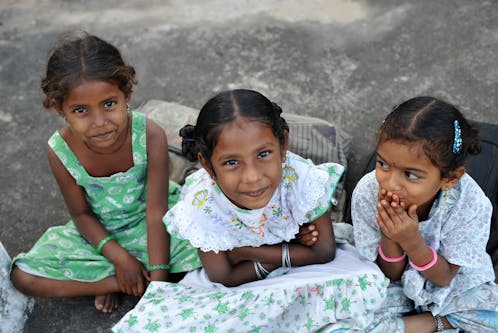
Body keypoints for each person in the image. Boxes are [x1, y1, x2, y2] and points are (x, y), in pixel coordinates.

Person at [113, 89, 388, 332]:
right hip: (242, 289)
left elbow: (324, 252)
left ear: (283, 146)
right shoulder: (202, 205)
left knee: (364, 283)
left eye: (263, 154)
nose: (253, 177)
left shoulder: (301, 179)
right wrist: (287, 249)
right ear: (207, 166)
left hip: (304, 273)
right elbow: (224, 277)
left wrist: (246, 253)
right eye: (232, 162)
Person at [10, 31, 201, 313]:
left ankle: (145, 278)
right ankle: (115, 282)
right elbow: (82, 215)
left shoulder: (148, 134)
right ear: (58, 107)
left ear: (127, 94)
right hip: (99, 237)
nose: (99, 122)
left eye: (109, 104)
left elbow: (156, 211)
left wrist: (158, 283)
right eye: (80, 110)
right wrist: (121, 262)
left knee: (219, 246)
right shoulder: (60, 151)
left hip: (154, 224)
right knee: (23, 276)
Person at [352, 96, 498, 332]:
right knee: (347, 314)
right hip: (397, 285)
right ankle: (433, 323)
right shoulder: (367, 193)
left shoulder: (471, 204)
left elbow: (444, 278)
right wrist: (390, 236)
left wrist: (412, 242)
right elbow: (390, 274)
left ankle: (435, 322)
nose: (390, 183)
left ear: (450, 178)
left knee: (493, 317)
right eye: (383, 164)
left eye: (411, 175)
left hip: (450, 284)